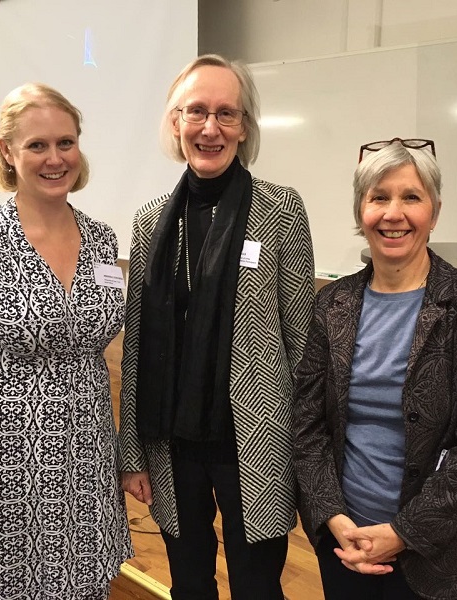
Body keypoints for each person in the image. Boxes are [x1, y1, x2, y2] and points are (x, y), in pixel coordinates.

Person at [0, 83, 132, 600]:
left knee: (85, 586)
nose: (55, 159)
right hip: (6, 465)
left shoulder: (101, 239)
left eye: (65, 143)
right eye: (37, 145)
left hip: (88, 457)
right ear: (7, 152)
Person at [119, 54, 315, 599]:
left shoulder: (280, 209)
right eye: (197, 112)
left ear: (244, 127)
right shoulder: (150, 221)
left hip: (257, 438)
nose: (211, 128)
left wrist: (310, 451)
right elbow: (137, 346)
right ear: (175, 122)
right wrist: (131, 453)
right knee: (189, 583)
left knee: (257, 587)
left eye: (226, 113)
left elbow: (303, 342)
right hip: (172, 440)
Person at [292, 138, 457, 600]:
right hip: (346, 542)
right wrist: (332, 516)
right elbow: (307, 426)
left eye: (411, 197)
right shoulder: (332, 304)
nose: (393, 214)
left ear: (434, 212)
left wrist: (404, 532)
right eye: (378, 197)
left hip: (444, 554)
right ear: (361, 212)